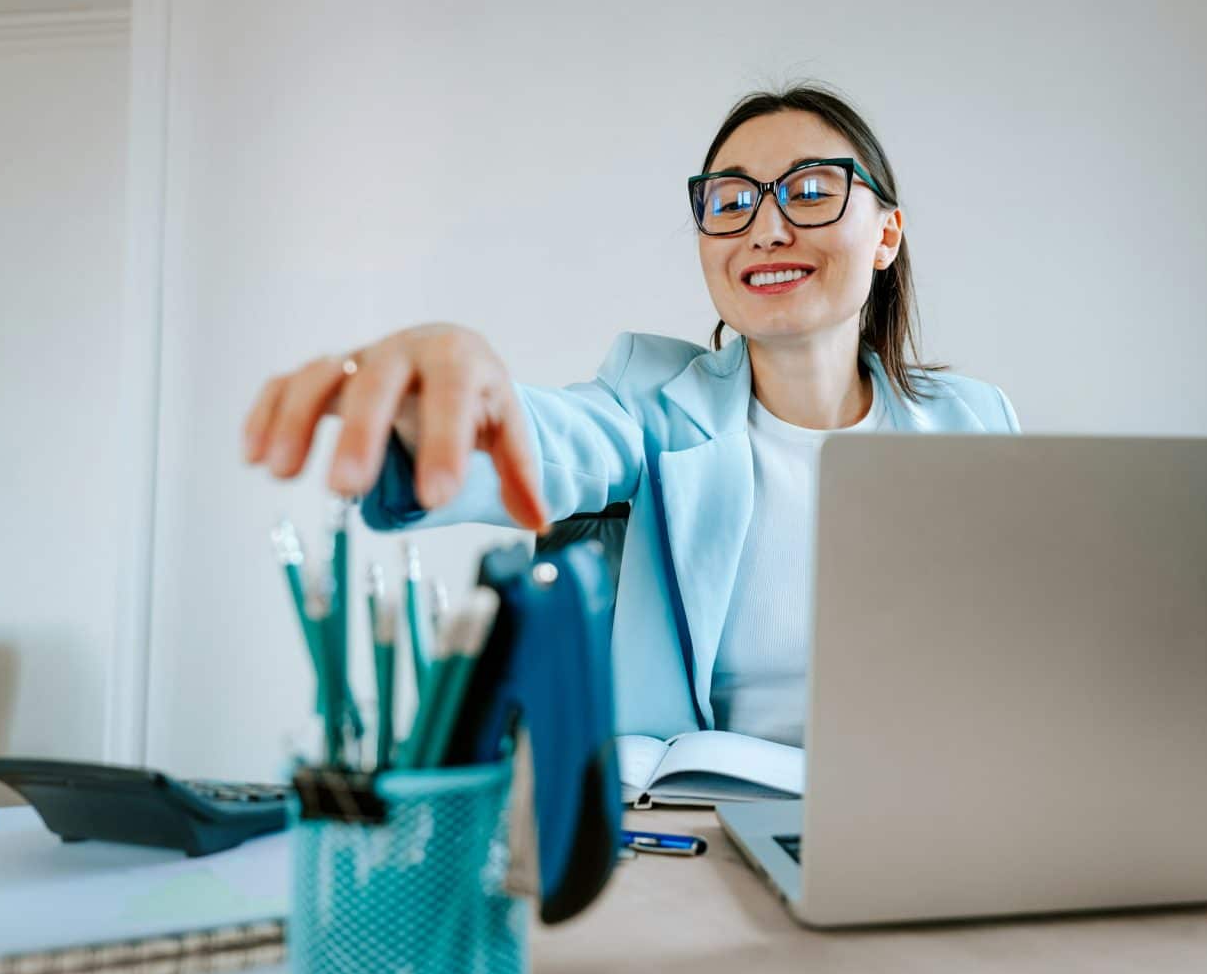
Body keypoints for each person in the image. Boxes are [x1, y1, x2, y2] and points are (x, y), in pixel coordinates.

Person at [241, 83, 1019, 746]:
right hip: (701, 828)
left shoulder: (977, 423)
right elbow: (547, 442)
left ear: (885, 235)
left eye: (812, 191)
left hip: (925, 817)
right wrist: (444, 406)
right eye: (732, 201)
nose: (767, 228)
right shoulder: (648, 402)